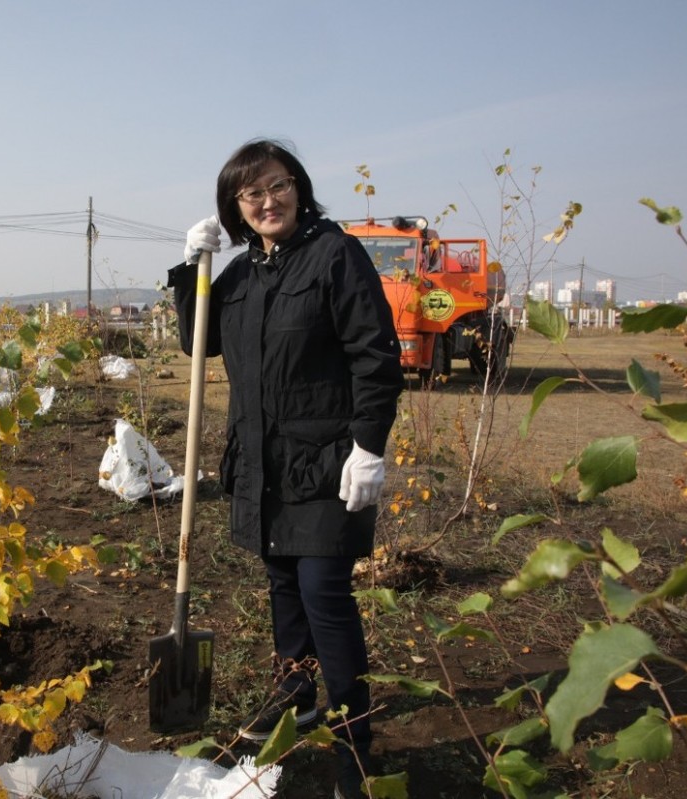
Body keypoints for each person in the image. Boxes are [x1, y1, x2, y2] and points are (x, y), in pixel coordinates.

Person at [168, 139, 403, 797]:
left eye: (277, 186)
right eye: (252, 193)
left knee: (324, 592)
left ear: (298, 188)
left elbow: (375, 356)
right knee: (283, 588)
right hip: (263, 466)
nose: (267, 201)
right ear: (235, 207)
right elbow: (197, 340)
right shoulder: (241, 273)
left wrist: (369, 445)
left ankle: (354, 743)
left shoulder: (335, 255)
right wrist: (192, 269)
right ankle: (296, 703)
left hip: (326, 463)